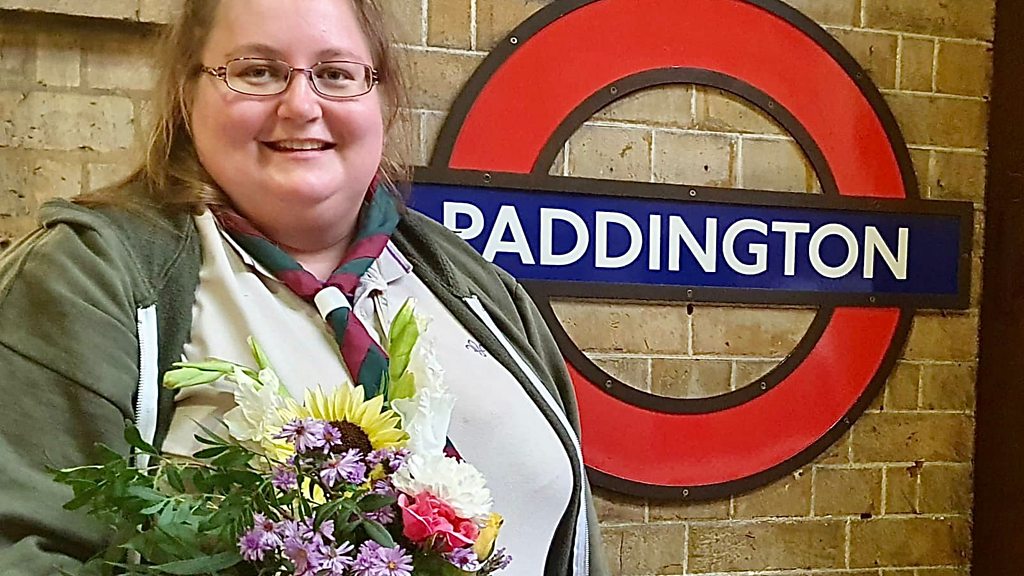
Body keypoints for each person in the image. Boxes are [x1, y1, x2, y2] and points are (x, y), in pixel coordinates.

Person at [0, 1, 609, 574]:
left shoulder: (478, 288)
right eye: (257, 71)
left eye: (336, 74)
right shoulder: (88, 279)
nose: (300, 105)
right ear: (187, 94)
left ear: (382, 97)